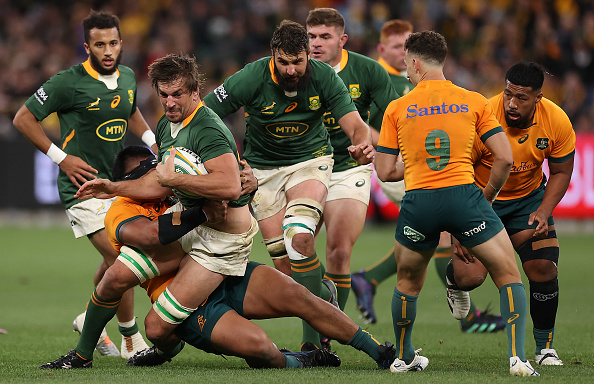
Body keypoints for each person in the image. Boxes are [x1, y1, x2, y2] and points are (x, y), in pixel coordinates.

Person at [41, 146, 396, 370]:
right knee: (261, 349)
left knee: (300, 295)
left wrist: (244, 182)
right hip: (187, 302)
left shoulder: (182, 184)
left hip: (224, 271)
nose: (160, 177)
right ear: (133, 181)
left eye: (159, 170)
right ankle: (298, 361)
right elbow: (150, 235)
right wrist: (201, 213)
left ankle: (378, 352)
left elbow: (228, 187)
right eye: (150, 174)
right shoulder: (119, 211)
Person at [41, 53, 259, 368]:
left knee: (262, 321)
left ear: (195, 91)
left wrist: (174, 180)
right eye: (164, 94)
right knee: (115, 276)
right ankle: (81, 355)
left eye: (177, 94)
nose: (169, 102)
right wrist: (113, 188)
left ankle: (158, 346)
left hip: (220, 236)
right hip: (193, 224)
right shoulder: (165, 125)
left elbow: (228, 188)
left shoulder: (207, 127)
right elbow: (160, 185)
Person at [374, 31, 539, 376]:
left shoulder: (397, 108)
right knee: (508, 274)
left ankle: (404, 358)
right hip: (464, 196)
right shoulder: (474, 101)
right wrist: (484, 200)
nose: (405, 69)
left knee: (407, 283)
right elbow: (505, 158)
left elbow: (387, 172)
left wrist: (414, 161)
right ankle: (518, 359)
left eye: (406, 64)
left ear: (415, 63)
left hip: (419, 201)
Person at [203, 20, 374, 351]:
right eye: (284, 62)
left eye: (298, 61)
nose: (292, 69)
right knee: (286, 270)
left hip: (311, 163)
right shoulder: (250, 77)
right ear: (272, 55)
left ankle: (312, 347)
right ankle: (326, 295)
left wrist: (362, 143)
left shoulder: (325, 77)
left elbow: (355, 124)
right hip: (262, 173)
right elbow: (206, 112)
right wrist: (224, 157)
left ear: (308, 55)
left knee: (300, 237)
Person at [12, 10, 153, 359]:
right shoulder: (68, 82)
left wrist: (152, 138)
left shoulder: (129, 77)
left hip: (116, 185)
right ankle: (131, 339)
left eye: (114, 43)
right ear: (87, 46)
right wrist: (62, 158)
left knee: (115, 262)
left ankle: (90, 318)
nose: (108, 51)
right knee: (124, 258)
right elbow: (23, 118)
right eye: (100, 44)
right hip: (82, 189)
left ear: (121, 43)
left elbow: (130, 108)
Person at [350, 19, 506, 334]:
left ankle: (369, 279)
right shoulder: (376, 77)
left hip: (422, 166)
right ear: (382, 50)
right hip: (402, 166)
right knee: (441, 224)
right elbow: (354, 119)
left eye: (405, 47)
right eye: (396, 47)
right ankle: (465, 308)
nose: (401, 54)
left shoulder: (415, 83)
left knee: (426, 232)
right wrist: (388, 147)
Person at [446, 61, 575, 366]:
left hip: (527, 202)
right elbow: (459, 172)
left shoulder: (556, 120)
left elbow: (560, 171)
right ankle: (454, 282)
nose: (512, 104)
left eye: (522, 98)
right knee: (470, 277)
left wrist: (545, 210)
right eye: (508, 94)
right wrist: (457, 226)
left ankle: (545, 349)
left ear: (538, 98)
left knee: (543, 268)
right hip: (480, 202)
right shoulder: (484, 116)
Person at [304, 8, 398, 315]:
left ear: (342, 40)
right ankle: (317, 326)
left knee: (339, 251)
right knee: (296, 254)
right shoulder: (293, 70)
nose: (316, 43)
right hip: (302, 170)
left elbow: (396, 122)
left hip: (347, 168)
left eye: (325, 37)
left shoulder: (368, 71)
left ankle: (327, 336)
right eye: (311, 36)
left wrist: (372, 145)